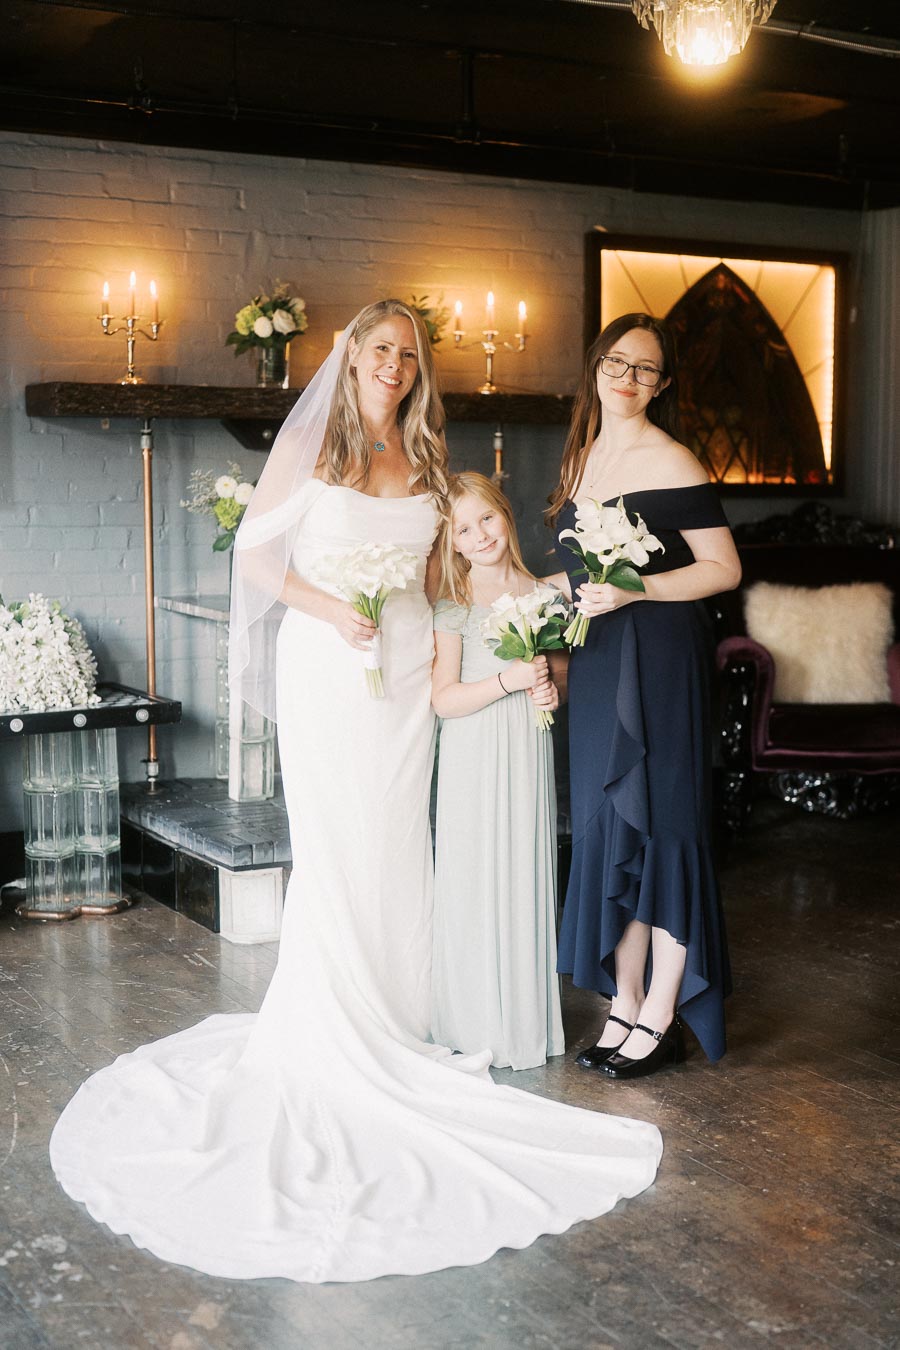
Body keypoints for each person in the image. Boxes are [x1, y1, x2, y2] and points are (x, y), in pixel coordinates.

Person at [49, 301, 663, 1284]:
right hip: (334, 667)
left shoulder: (423, 459)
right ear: (351, 359)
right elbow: (257, 559)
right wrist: (337, 610)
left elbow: (446, 561)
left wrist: (515, 622)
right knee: (340, 839)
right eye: (380, 351)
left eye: (408, 356)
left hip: (414, 668)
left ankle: (408, 1008)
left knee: (398, 841)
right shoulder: (319, 453)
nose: (393, 367)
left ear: (419, 371)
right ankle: (341, 1018)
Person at [546, 312, 741, 1079]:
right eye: (618, 364)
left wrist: (636, 591)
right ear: (595, 367)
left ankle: (664, 1009)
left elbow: (722, 568)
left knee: (665, 826)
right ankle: (623, 1003)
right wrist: (520, 600)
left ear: (663, 384)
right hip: (597, 664)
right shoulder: (582, 458)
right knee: (606, 825)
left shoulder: (673, 457)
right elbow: (573, 576)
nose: (630, 380)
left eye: (647, 370)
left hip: (660, 656)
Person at [431, 472, 565, 1070]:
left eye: (486, 518)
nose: (479, 534)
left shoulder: (545, 594)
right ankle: (472, 1019)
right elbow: (443, 699)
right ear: (452, 542)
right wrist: (509, 680)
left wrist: (550, 691)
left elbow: (559, 677)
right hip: (473, 751)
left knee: (523, 867)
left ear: (505, 516)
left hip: (527, 752)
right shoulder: (453, 603)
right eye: (463, 528)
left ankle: (524, 1021)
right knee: (475, 873)